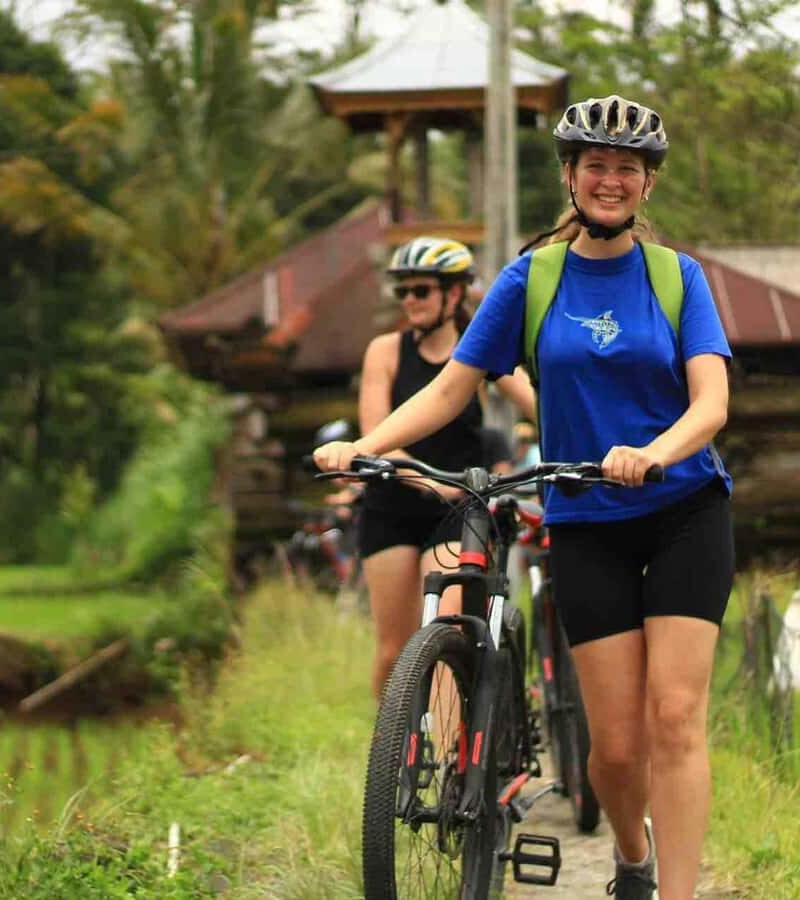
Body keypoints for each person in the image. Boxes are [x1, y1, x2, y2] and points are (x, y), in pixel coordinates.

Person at [315, 96, 734, 900]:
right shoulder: (531, 279)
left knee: (674, 717)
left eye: (628, 169)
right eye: (597, 166)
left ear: (647, 186)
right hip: (585, 523)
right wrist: (366, 446)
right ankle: (631, 858)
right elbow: (450, 390)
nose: (611, 181)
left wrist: (652, 454)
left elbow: (710, 403)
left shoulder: (677, 278)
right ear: (571, 176)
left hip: (684, 509)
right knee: (614, 749)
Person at [352, 236, 536, 698]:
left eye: (421, 291)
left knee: (446, 629)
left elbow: (540, 406)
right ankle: (393, 753)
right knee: (394, 650)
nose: (410, 301)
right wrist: (425, 481)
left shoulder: (481, 351)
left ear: (453, 294)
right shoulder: (386, 351)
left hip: (457, 508)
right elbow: (375, 436)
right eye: (403, 292)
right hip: (392, 504)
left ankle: (455, 762)